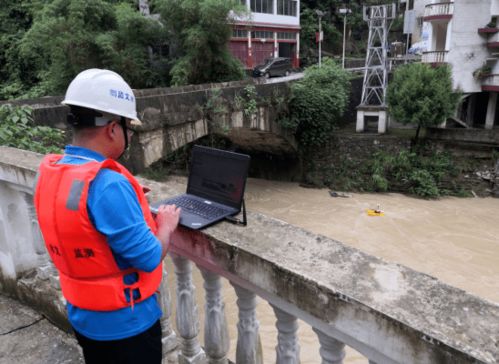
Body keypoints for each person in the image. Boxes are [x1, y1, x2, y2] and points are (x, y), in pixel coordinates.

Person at [33, 69, 181, 364]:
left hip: (84, 316)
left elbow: (82, 217)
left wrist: (129, 200)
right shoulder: (108, 186)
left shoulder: (55, 172)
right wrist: (165, 226)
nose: (129, 134)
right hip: (126, 327)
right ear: (113, 128)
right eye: (128, 127)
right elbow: (150, 256)